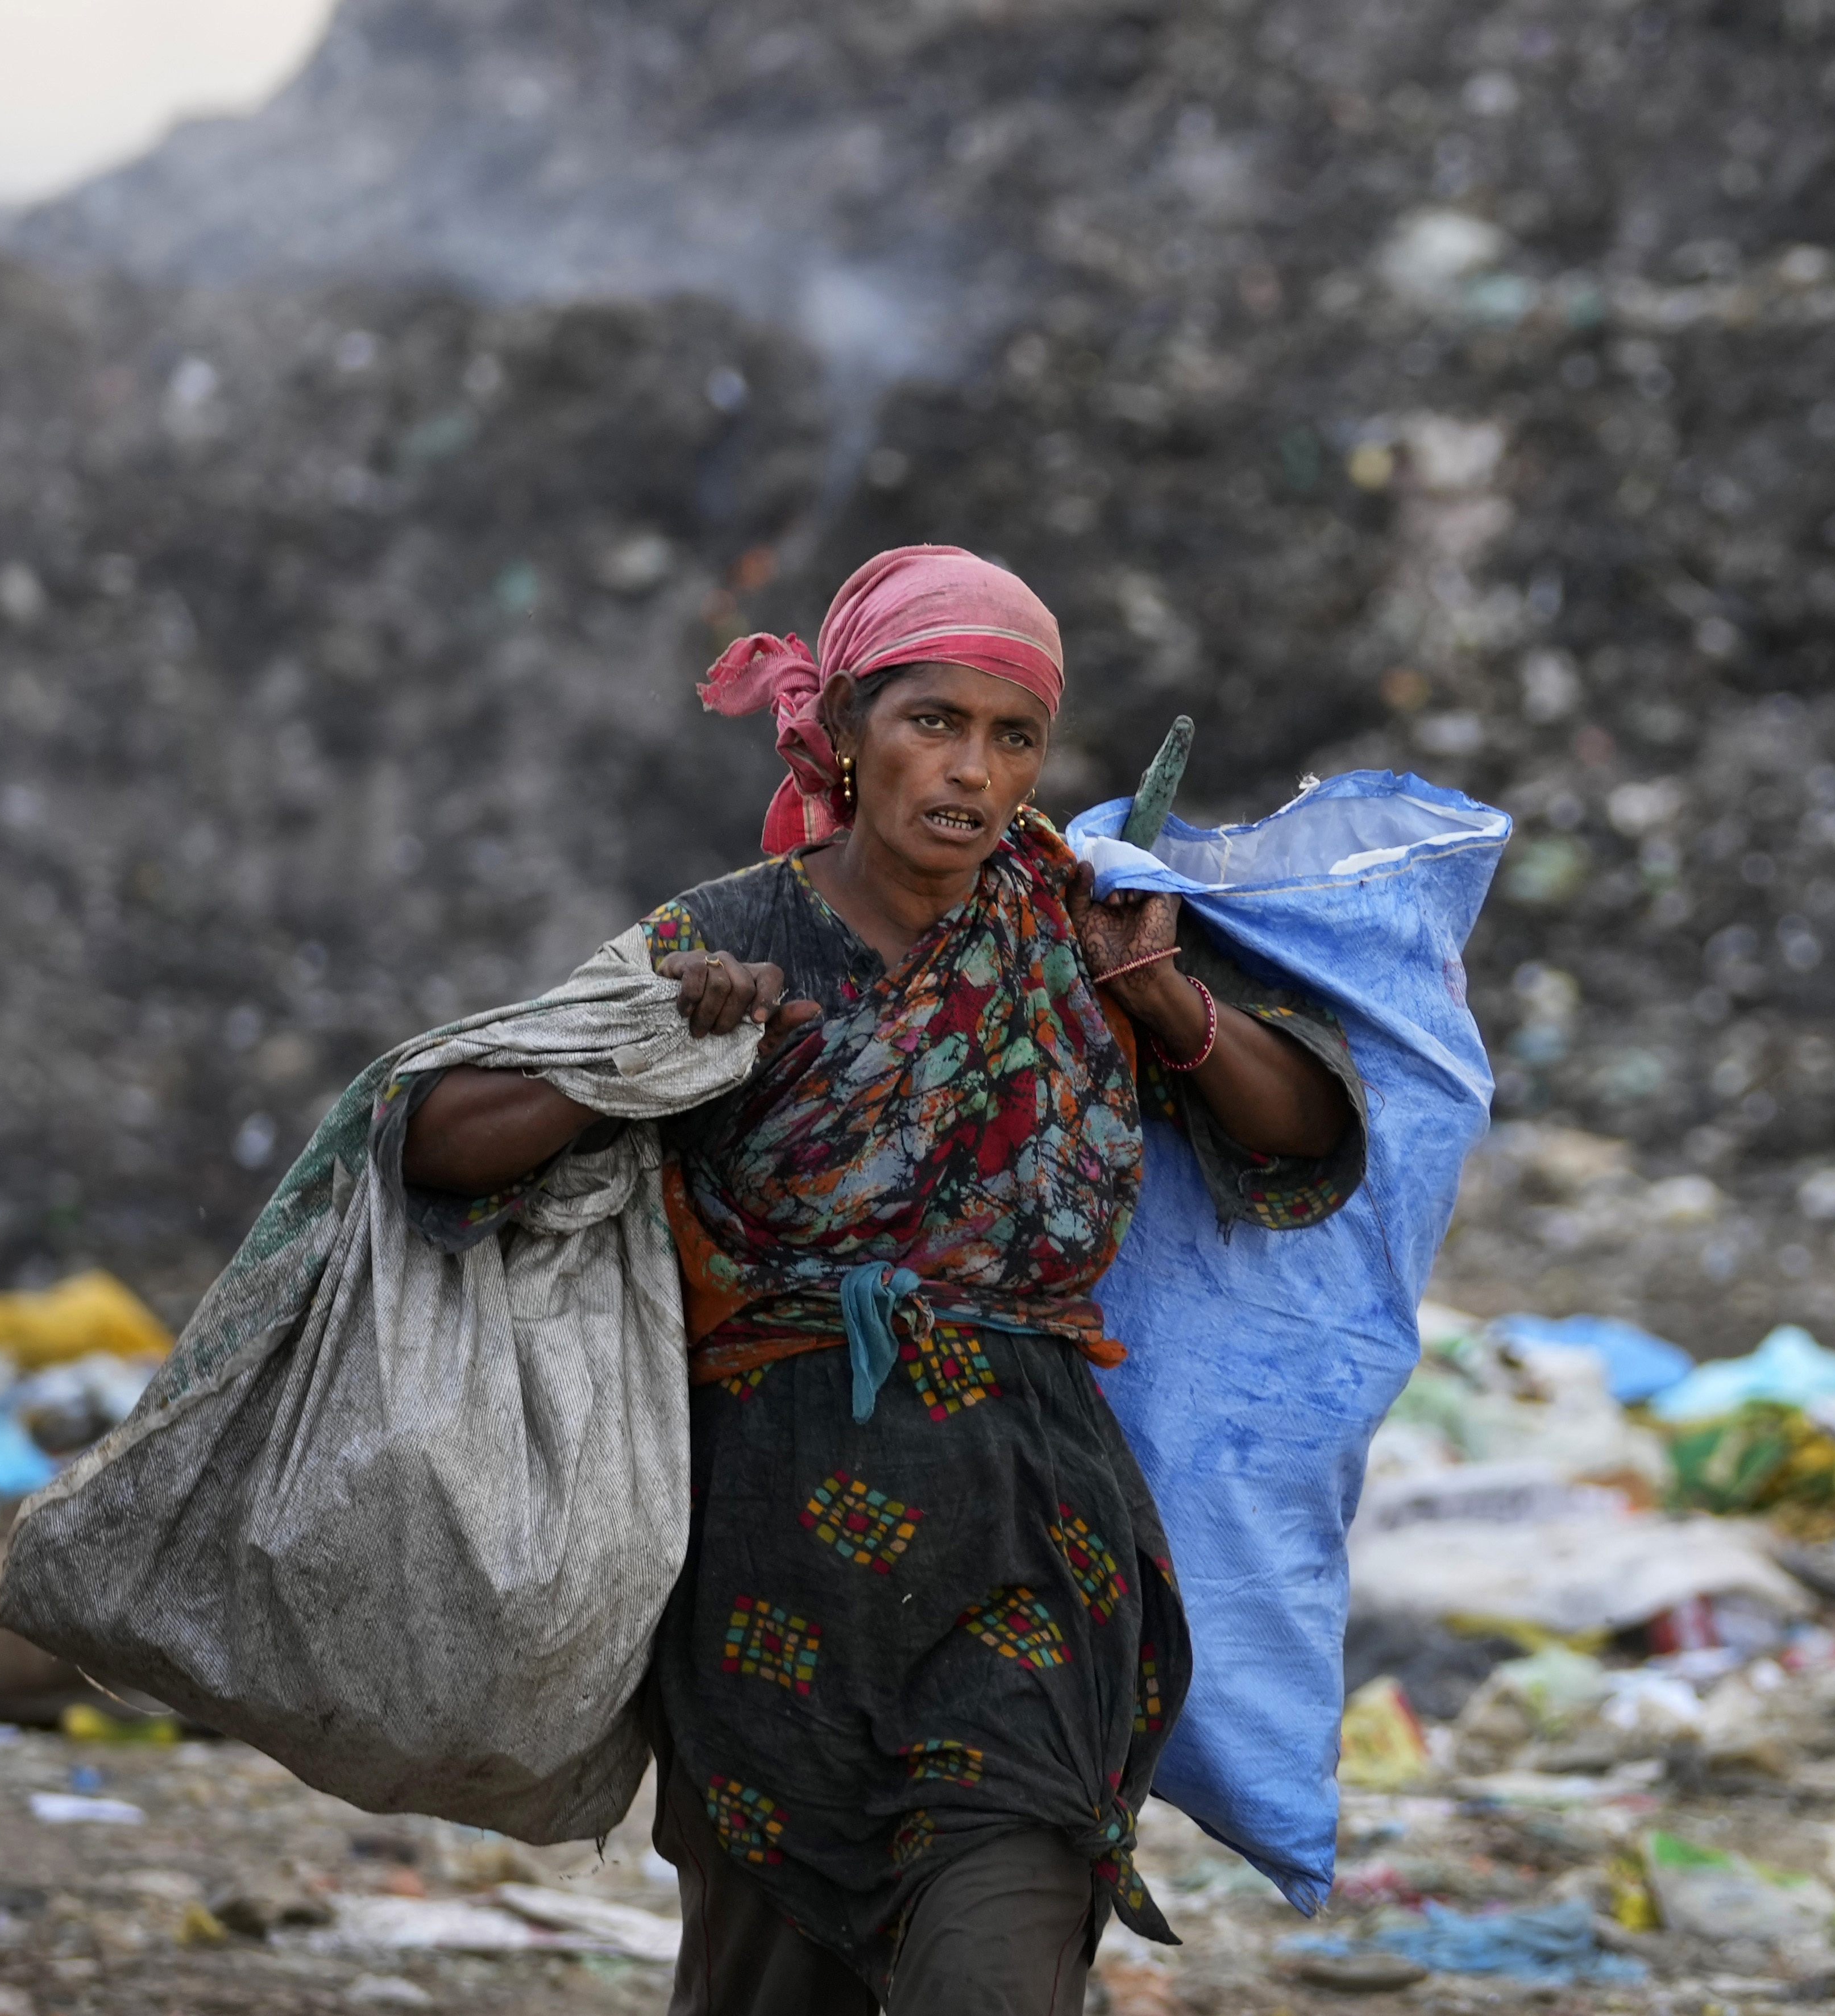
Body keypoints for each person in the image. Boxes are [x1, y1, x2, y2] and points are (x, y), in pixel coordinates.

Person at [397, 546, 1365, 2014]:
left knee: (997, 1961)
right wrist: (653, 1050)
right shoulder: (725, 940)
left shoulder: (1076, 927)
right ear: (843, 729)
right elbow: (439, 1140)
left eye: (1013, 735)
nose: (973, 769)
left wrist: (1160, 996)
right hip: (777, 1568)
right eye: (934, 721)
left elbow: (1306, 1141)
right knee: (771, 1977)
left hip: (1037, 1544)